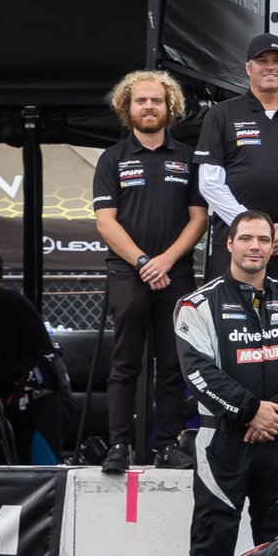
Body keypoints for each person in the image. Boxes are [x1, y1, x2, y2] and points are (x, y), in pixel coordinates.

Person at [174, 210, 278, 556]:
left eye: (263, 240)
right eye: (246, 238)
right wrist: (252, 411)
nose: (254, 247)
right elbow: (198, 372)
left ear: (273, 248)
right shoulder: (196, 305)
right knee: (212, 544)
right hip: (222, 441)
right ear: (229, 244)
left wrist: (276, 416)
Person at [91, 69, 207, 473]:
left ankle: (168, 445)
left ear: (169, 106)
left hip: (175, 272)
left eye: (156, 100)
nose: (149, 106)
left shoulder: (188, 157)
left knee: (173, 362)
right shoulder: (113, 158)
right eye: (141, 100)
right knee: (125, 363)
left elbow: (198, 220)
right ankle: (119, 446)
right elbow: (106, 223)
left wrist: (166, 261)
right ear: (127, 107)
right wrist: (143, 261)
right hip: (128, 272)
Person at [193, 33, 278, 293]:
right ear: (248, 68)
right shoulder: (221, 114)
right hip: (235, 241)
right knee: (230, 321)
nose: (269, 66)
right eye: (261, 60)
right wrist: (252, 229)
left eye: (277, 60)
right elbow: (209, 182)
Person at [0, 250, 77, 464]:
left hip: (41, 394)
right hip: (35, 391)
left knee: (41, 466)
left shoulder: (3, 302)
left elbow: (7, 361)